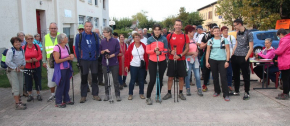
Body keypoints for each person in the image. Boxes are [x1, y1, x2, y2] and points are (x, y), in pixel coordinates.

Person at [162, 19, 189, 101]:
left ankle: (180, 93)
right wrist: (170, 51)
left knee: (181, 78)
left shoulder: (185, 36)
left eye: (179, 25)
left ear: (181, 26)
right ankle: (169, 93)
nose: (178, 26)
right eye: (176, 25)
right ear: (174, 26)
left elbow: (187, 48)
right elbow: (166, 47)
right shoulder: (169, 36)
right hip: (171, 59)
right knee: (170, 77)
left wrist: (180, 55)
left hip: (181, 59)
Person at [75, 21, 101, 103]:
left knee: (94, 78)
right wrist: (79, 60)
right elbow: (76, 49)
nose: (88, 28)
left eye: (90, 26)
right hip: (84, 60)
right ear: (84, 27)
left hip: (94, 60)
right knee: (84, 78)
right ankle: (83, 96)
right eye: (87, 26)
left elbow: (98, 47)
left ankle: (95, 94)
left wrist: (97, 56)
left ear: (92, 27)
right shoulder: (79, 36)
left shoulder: (95, 35)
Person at [206, 26, 230, 101]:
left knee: (223, 77)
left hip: (222, 60)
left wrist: (227, 61)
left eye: (218, 31)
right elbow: (208, 51)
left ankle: (226, 94)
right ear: (212, 32)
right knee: (215, 76)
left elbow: (228, 51)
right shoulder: (210, 41)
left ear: (220, 32)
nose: (216, 32)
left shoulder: (224, 40)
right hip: (213, 60)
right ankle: (217, 91)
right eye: (215, 31)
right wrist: (207, 61)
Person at [145, 24, 168, 105]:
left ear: (160, 31)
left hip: (162, 61)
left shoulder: (164, 39)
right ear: (153, 31)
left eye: (158, 29)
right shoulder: (150, 39)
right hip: (152, 61)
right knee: (152, 80)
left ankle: (158, 95)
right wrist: (154, 51)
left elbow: (166, 51)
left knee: (160, 80)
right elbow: (147, 51)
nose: (157, 31)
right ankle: (148, 97)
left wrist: (161, 52)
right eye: (155, 29)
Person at [231, 19, 254, 100]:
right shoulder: (237, 33)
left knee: (245, 75)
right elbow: (237, 44)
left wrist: (246, 58)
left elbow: (251, 47)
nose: (234, 27)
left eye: (235, 25)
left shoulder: (249, 33)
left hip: (243, 55)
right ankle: (236, 90)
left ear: (240, 24)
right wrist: (233, 53)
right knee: (236, 74)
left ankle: (246, 92)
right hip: (236, 55)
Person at [52, 33, 74, 108]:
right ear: (61, 40)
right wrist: (67, 58)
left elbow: (67, 55)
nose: (67, 38)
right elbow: (57, 60)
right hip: (60, 69)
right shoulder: (56, 48)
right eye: (65, 37)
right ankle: (58, 101)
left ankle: (66, 99)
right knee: (61, 84)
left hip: (67, 67)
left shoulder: (66, 47)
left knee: (67, 84)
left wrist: (71, 56)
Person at [100, 26, 122, 101]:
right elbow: (100, 51)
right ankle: (107, 94)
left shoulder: (115, 41)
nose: (103, 33)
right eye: (103, 32)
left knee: (115, 80)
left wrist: (112, 55)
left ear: (109, 33)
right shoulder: (102, 41)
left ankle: (117, 95)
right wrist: (104, 51)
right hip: (105, 63)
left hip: (114, 63)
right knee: (106, 80)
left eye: (105, 32)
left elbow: (117, 51)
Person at [125, 33, 148, 100]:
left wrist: (147, 65)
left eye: (138, 37)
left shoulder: (143, 46)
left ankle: (141, 93)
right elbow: (127, 56)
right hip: (133, 65)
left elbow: (146, 56)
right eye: (135, 37)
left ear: (140, 38)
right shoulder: (131, 46)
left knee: (141, 80)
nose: (137, 38)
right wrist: (126, 65)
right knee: (132, 80)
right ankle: (130, 94)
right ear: (133, 38)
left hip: (141, 66)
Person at [6, 37, 26, 110]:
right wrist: (15, 67)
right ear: (13, 44)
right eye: (16, 42)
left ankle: (20, 101)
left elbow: (23, 59)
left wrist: (23, 65)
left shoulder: (22, 50)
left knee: (20, 86)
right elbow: (8, 61)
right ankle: (17, 104)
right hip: (12, 71)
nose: (18, 43)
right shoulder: (11, 51)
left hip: (20, 71)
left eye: (19, 42)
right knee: (16, 87)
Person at [42, 22, 60, 102]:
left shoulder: (60, 36)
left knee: (60, 77)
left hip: (59, 60)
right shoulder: (45, 37)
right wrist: (44, 61)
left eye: (54, 28)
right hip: (50, 61)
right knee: (51, 77)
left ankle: (60, 93)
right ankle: (53, 94)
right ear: (49, 29)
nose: (53, 30)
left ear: (57, 29)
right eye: (51, 28)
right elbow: (44, 50)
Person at [22, 34, 42, 102]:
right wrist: (27, 61)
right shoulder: (23, 48)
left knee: (37, 79)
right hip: (27, 67)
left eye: (31, 38)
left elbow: (40, 55)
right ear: (26, 40)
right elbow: (21, 58)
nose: (30, 40)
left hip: (36, 66)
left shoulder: (37, 46)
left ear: (33, 39)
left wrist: (36, 59)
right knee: (28, 81)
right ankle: (30, 94)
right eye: (28, 39)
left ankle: (38, 94)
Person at [184, 25, 203, 96]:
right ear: (189, 32)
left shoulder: (194, 40)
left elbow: (197, 50)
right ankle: (188, 89)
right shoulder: (185, 41)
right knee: (188, 76)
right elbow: (184, 53)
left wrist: (196, 53)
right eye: (193, 31)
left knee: (197, 76)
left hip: (195, 60)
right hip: (188, 60)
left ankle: (199, 89)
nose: (194, 33)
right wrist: (192, 53)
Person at [75, 24, 92, 92]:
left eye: (82, 29)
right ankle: (86, 87)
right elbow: (76, 48)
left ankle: (92, 85)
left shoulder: (88, 36)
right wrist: (78, 59)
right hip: (81, 59)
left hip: (89, 58)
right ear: (78, 30)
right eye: (80, 29)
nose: (81, 31)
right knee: (83, 74)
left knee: (90, 74)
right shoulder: (77, 37)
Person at [275, 28, 290, 100]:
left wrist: (275, 52)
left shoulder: (284, 40)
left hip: (286, 62)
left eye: (278, 36)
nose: (279, 38)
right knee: (287, 78)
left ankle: (285, 93)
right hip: (287, 61)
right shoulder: (288, 39)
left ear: (281, 34)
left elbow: (279, 51)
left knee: (285, 78)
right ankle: (285, 92)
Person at [221, 26, 236, 93]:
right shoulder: (221, 38)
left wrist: (232, 53)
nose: (226, 31)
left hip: (230, 56)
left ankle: (229, 84)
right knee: (223, 72)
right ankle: (224, 84)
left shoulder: (231, 37)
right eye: (224, 30)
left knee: (230, 71)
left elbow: (235, 46)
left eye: (227, 30)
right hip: (222, 57)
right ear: (222, 32)